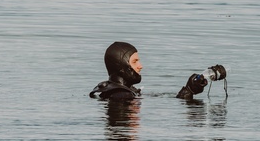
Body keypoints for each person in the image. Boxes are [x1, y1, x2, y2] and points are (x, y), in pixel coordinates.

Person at [89, 41, 224, 101]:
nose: (140, 66)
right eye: (135, 61)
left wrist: (189, 91)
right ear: (121, 66)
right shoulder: (122, 95)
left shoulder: (108, 89)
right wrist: (187, 92)